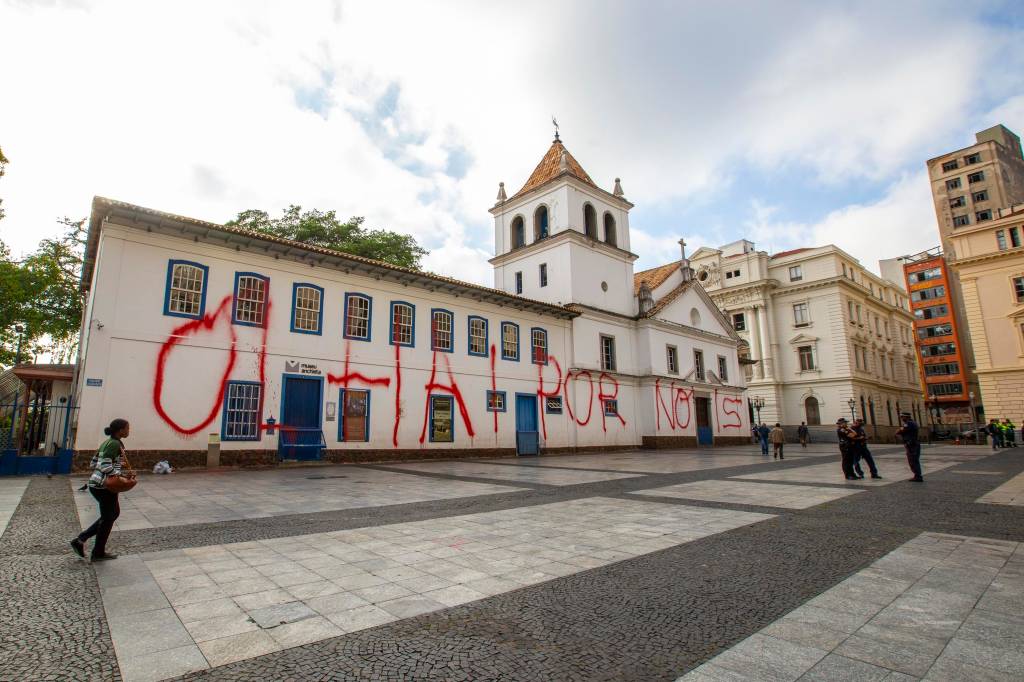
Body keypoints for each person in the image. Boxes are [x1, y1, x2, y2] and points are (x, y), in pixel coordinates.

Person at [70, 418, 129, 561]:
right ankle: (90, 546)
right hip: (104, 486)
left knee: (111, 515)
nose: (128, 431)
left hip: (98, 484)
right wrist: (118, 475)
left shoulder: (108, 443)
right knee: (109, 516)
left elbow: (93, 462)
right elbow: (104, 465)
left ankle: (91, 547)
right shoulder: (114, 444)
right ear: (120, 430)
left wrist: (117, 468)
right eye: (127, 428)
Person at [896, 412, 923, 482]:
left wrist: (899, 431)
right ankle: (918, 475)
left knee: (912, 460)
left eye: (902, 417)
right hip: (914, 444)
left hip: (911, 444)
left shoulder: (908, 423)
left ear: (906, 417)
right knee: (915, 460)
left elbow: (899, 431)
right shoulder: (913, 423)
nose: (901, 418)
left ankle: (918, 476)